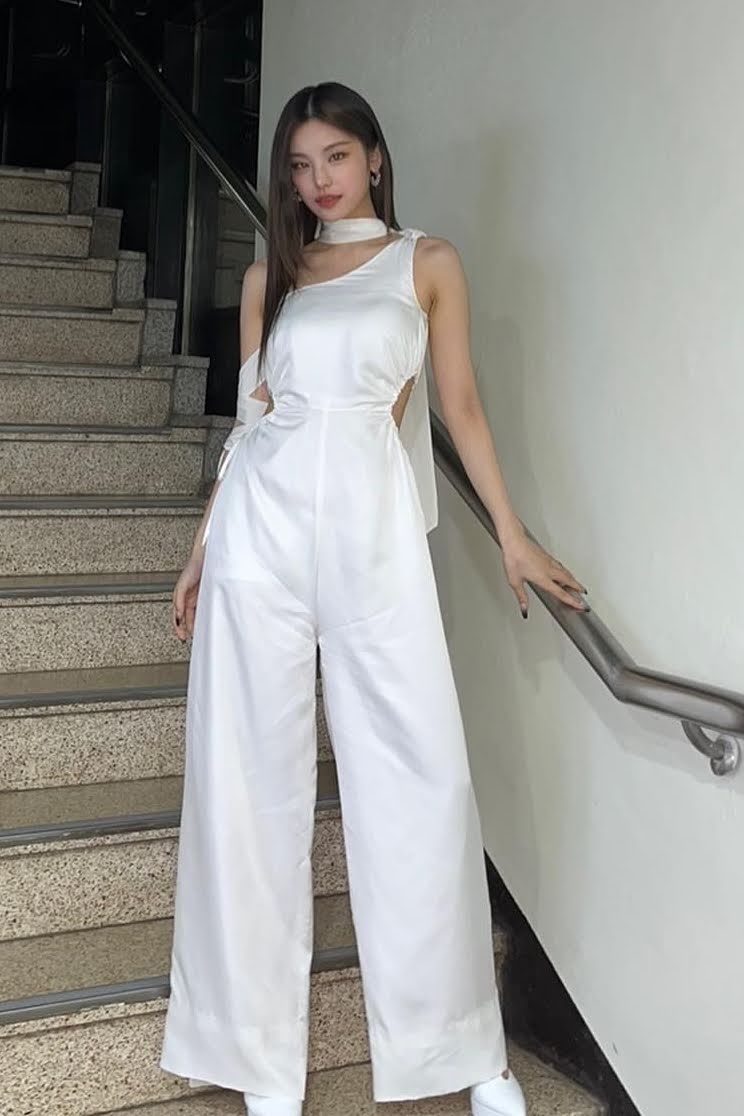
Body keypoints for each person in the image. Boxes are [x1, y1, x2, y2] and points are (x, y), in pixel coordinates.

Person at [159, 81, 588, 1116]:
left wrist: (513, 536)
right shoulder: (269, 276)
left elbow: (462, 408)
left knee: (418, 775)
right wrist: (199, 550)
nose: (318, 181)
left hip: (372, 537)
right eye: (300, 166)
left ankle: (466, 1052)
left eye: (336, 158)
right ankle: (255, 1057)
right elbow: (252, 423)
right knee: (243, 786)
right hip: (258, 537)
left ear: (375, 158)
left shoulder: (425, 263)